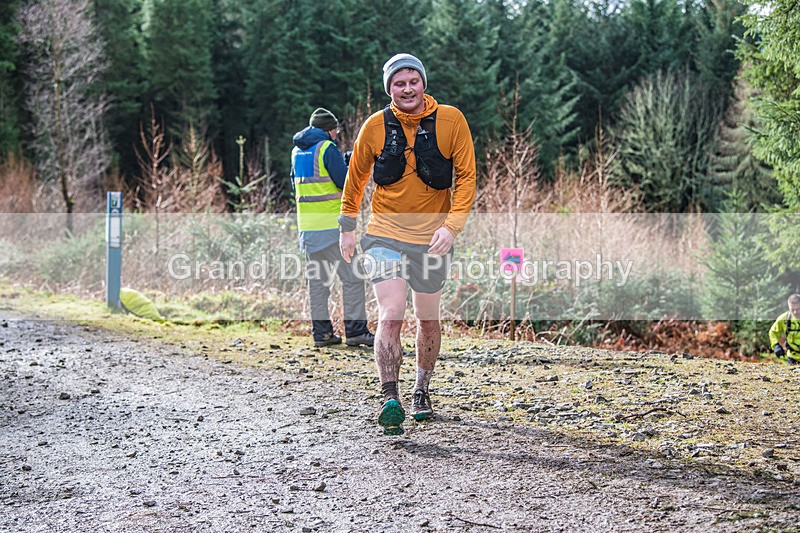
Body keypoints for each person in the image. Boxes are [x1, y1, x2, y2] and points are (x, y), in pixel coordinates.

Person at [338, 54, 476, 435]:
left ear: (423, 83)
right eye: (399, 83)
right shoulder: (375, 126)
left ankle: (421, 390)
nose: (408, 88)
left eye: (413, 80)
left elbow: (466, 179)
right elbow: (356, 177)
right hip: (383, 234)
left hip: (432, 239)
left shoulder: (452, 120)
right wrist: (347, 226)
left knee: (427, 318)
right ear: (390, 89)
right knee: (392, 311)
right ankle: (389, 397)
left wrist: (452, 227)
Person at [290, 107, 374, 348]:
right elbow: (345, 183)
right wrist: (347, 162)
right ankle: (356, 330)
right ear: (329, 129)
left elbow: (295, 187)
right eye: (335, 129)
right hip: (332, 229)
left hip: (308, 230)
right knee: (353, 277)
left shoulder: (296, 152)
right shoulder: (327, 148)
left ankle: (322, 334)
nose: (337, 133)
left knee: (318, 284)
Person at [769, 293, 800, 364]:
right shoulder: (784, 318)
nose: (795, 312)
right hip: (793, 358)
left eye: (798, 309)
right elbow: (773, 332)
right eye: (792, 309)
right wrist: (776, 345)